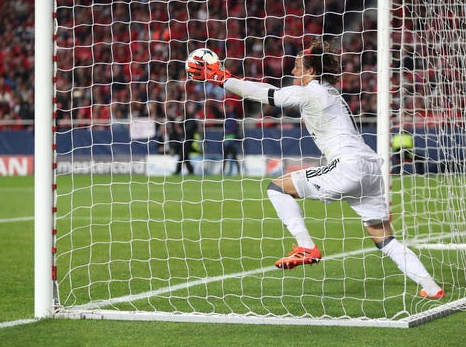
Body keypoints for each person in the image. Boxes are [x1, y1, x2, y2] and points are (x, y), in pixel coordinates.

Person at [187, 38, 444, 299]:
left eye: (297, 66)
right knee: (385, 240)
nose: (292, 71)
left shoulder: (311, 91)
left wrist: (223, 79)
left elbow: (269, 94)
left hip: (348, 165)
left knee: (277, 188)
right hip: (370, 167)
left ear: (311, 71)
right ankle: (432, 288)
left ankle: (306, 246)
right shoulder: (330, 93)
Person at [222, 103, 242, 175]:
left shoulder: (232, 116)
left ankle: (238, 171)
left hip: (231, 140)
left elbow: (234, 128)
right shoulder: (227, 116)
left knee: (232, 156)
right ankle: (224, 171)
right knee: (227, 156)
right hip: (227, 139)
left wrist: (227, 132)